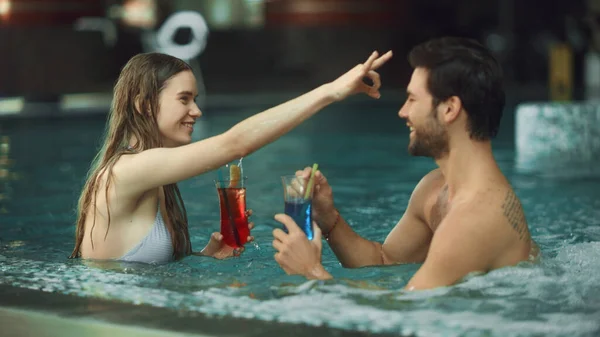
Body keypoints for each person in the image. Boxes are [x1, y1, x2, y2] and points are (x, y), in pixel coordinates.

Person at [69, 50, 393, 264]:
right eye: (184, 99)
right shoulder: (127, 170)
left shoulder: (153, 177)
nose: (195, 111)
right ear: (143, 103)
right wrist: (330, 92)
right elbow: (234, 144)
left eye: (195, 99)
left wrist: (204, 258)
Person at [271, 37, 539, 290]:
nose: (402, 112)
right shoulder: (435, 188)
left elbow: (401, 316)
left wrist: (311, 272)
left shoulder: (472, 221)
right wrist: (329, 219)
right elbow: (385, 260)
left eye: (412, 99)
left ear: (449, 109)